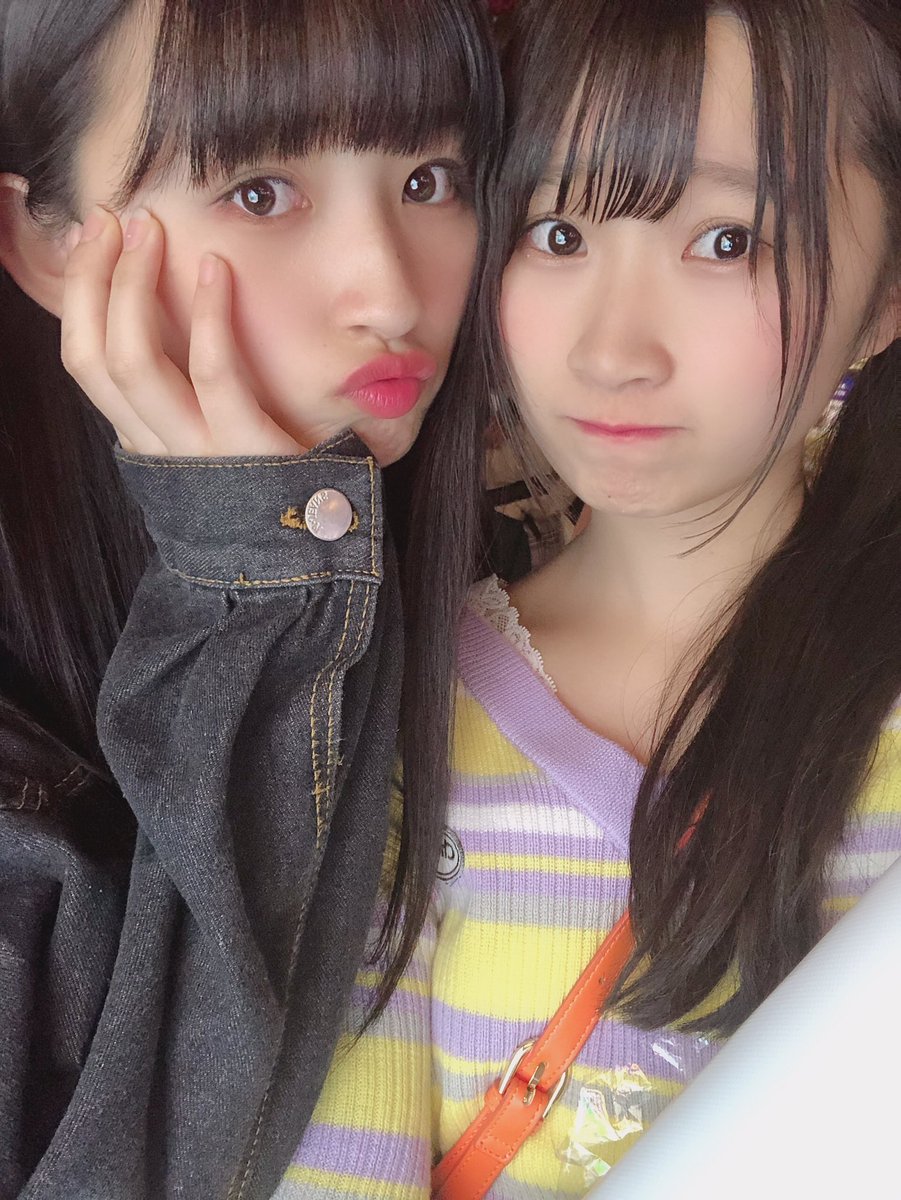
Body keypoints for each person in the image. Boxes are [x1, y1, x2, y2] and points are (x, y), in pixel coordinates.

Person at [285, 0, 901, 1195]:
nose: (613, 351)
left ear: (884, 298)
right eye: (557, 232)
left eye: (726, 241)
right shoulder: (401, 702)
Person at [0, 0, 501, 1196]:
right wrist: (254, 572)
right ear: (49, 247)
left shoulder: (477, 572)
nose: (390, 292)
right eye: (261, 193)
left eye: (428, 179)